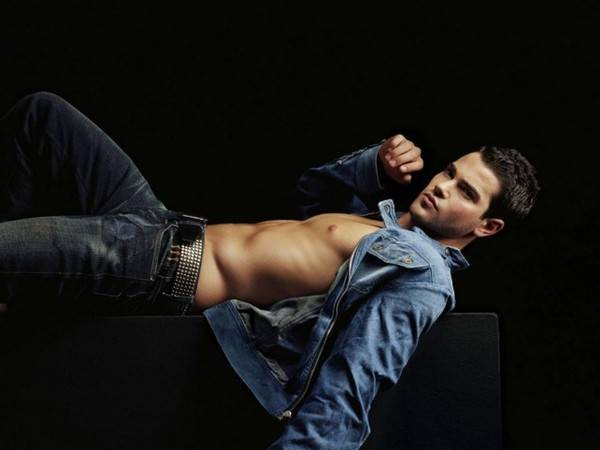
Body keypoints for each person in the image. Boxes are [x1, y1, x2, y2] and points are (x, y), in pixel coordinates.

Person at [0, 92, 540, 449]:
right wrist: (373, 166)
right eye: (450, 171)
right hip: (160, 223)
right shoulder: (384, 223)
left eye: (465, 192)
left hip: (158, 266)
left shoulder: (422, 275)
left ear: (487, 226)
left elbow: (355, 382)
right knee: (43, 116)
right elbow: (310, 193)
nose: (442, 186)